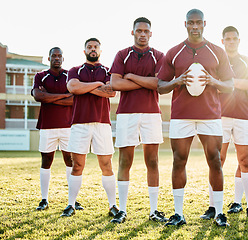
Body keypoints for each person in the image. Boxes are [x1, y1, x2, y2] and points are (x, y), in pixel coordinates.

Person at [157, 9, 234, 227]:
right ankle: (178, 214)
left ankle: (219, 213)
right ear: (185, 24)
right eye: (191, 23)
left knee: (215, 160)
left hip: (210, 115)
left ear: (204, 24)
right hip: (182, 115)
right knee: (179, 160)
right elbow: (160, 86)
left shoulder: (217, 51)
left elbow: (230, 85)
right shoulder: (174, 52)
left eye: (198, 23)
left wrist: (214, 81)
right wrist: (177, 81)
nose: (195, 27)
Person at [200, 26, 248, 220]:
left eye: (235, 38)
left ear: (239, 40)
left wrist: (225, 83)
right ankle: (213, 207)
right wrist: (227, 83)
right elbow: (212, 86)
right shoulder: (216, 60)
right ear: (223, 41)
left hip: (244, 115)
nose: (232, 41)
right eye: (228, 38)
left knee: (245, 160)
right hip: (220, 116)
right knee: (218, 160)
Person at [109, 17, 167, 224]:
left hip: (151, 113)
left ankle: (153, 210)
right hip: (127, 113)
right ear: (132, 32)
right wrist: (144, 82)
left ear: (151, 33)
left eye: (146, 31)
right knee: (125, 160)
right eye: (139, 31)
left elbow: (159, 83)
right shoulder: (122, 55)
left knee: (152, 161)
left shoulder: (159, 56)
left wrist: (131, 76)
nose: (142, 34)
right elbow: (115, 83)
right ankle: (122, 210)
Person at [60, 38, 118, 221]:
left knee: (107, 165)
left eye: (95, 47)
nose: (92, 49)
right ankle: (71, 204)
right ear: (84, 50)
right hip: (80, 123)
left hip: (102, 123)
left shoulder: (108, 71)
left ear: (100, 50)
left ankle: (113, 205)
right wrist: (97, 85)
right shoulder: (74, 70)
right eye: (89, 47)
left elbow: (112, 92)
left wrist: (83, 88)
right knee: (77, 165)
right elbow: (72, 87)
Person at [32, 47, 83, 211]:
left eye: (59, 56)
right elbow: (38, 96)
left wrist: (49, 98)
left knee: (70, 161)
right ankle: (44, 199)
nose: (56, 58)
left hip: (68, 126)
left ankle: (72, 201)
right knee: (46, 161)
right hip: (47, 126)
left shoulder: (70, 75)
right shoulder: (40, 76)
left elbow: (74, 100)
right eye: (53, 56)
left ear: (63, 58)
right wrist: (63, 95)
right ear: (48, 58)